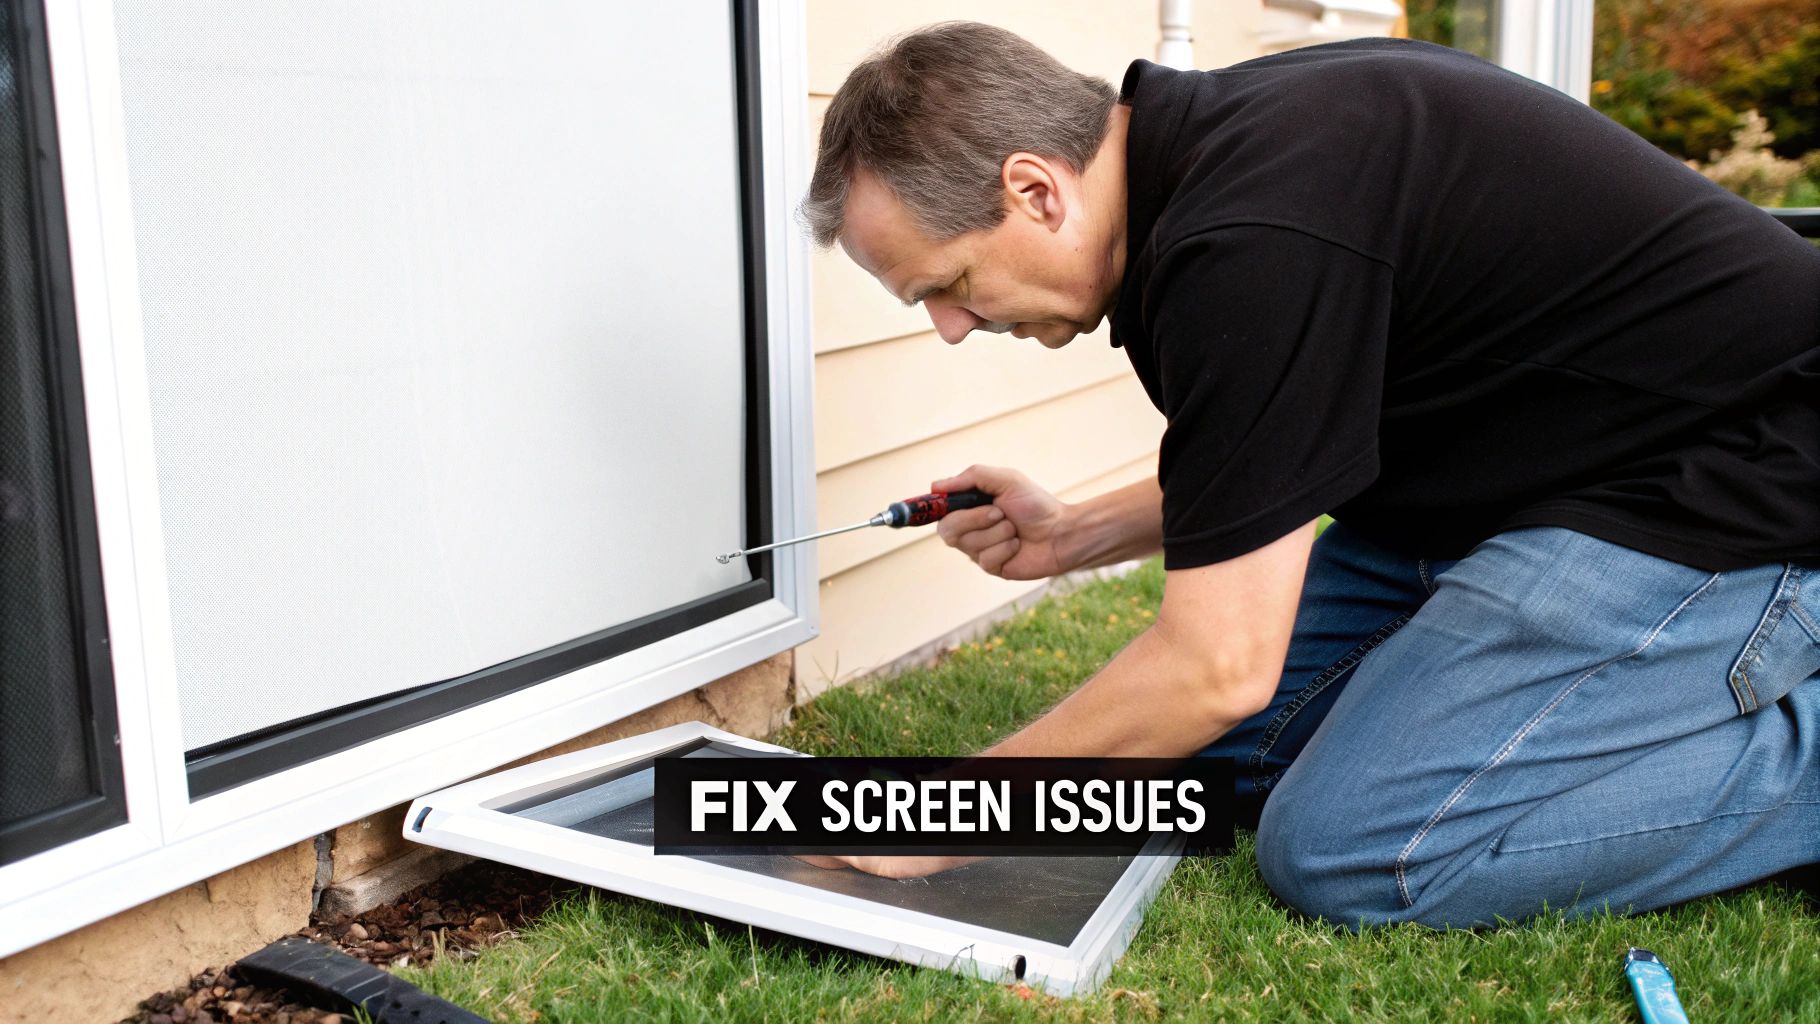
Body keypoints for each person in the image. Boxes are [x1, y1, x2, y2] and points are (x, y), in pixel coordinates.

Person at [798, 21, 1820, 928]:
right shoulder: (1209, 172)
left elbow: (1216, 666)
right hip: (1523, 482)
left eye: (948, 284)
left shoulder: (1246, 237)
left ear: (1033, 189)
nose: (947, 328)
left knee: (1348, 847)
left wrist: (952, 813)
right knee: (1199, 764)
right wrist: (1076, 532)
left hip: (1729, 472)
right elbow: (1284, 447)